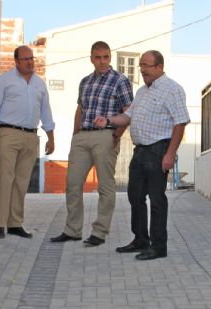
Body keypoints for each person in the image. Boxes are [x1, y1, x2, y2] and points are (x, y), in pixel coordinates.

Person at [94, 50, 190, 260]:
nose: (142, 70)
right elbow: (128, 116)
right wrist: (108, 121)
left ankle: (158, 247)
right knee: (135, 196)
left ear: (159, 67)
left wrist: (170, 154)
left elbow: (180, 122)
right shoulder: (141, 92)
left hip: (159, 150)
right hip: (140, 151)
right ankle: (140, 239)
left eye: (147, 65)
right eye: (141, 65)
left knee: (156, 199)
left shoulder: (173, 90)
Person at [50, 41, 133, 246]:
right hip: (82, 136)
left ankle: (100, 232)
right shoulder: (85, 81)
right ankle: (72, 230)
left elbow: (129, 111)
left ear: (110, 57)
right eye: (98, 57)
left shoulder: (120, 80)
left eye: (106, 57)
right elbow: (80, 108)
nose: (102, 61)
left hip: (106, 135)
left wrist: (116, 135)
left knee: (105, 186)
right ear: (91, 58)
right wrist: (75, 135)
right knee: (73, 184)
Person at [0, 45, 55, 239]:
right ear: (16, 61)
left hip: (31, 136)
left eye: (31, 58)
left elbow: (46, 112)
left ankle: (15, 223)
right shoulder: (3, 81)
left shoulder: (39, 84)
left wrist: (51, 137)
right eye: (25, 59)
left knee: (22, 181)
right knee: (4, 178)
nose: (30, 62)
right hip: (8, 133)